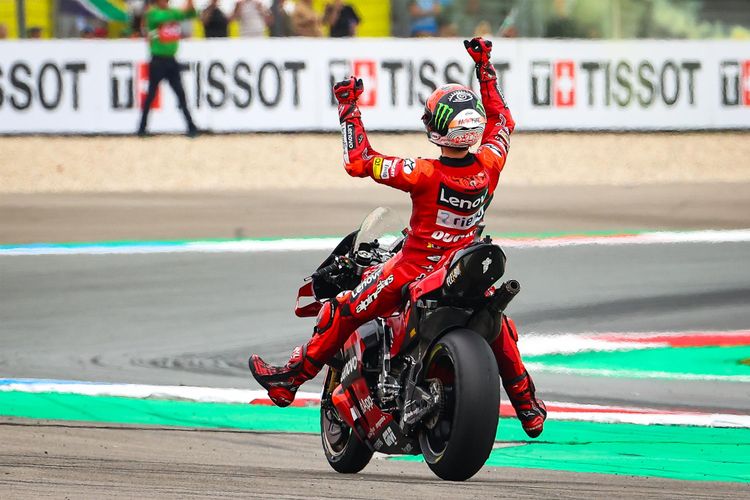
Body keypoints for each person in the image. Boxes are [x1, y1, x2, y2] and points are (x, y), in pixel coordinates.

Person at [250, 38, 547, 438]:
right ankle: (528, 407)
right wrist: (485, 68)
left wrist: (349, 108)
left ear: (436, 129)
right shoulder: (491, 162)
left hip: (413, 268)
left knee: (343, 309)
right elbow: (503, 120)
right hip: (464, 267)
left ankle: (291, 379)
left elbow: (358, 161)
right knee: (499, 325)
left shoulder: (422, 173)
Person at [137, 0, 199, 137]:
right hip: (157, 60)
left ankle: (191, 127)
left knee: (181, 94)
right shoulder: (153, 13)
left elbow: (192, 14)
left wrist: (191, 4)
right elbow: (164, 18)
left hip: (171, 60)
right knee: (151, 95)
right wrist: (182, 11)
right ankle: (142, 128)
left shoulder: (172, 12)